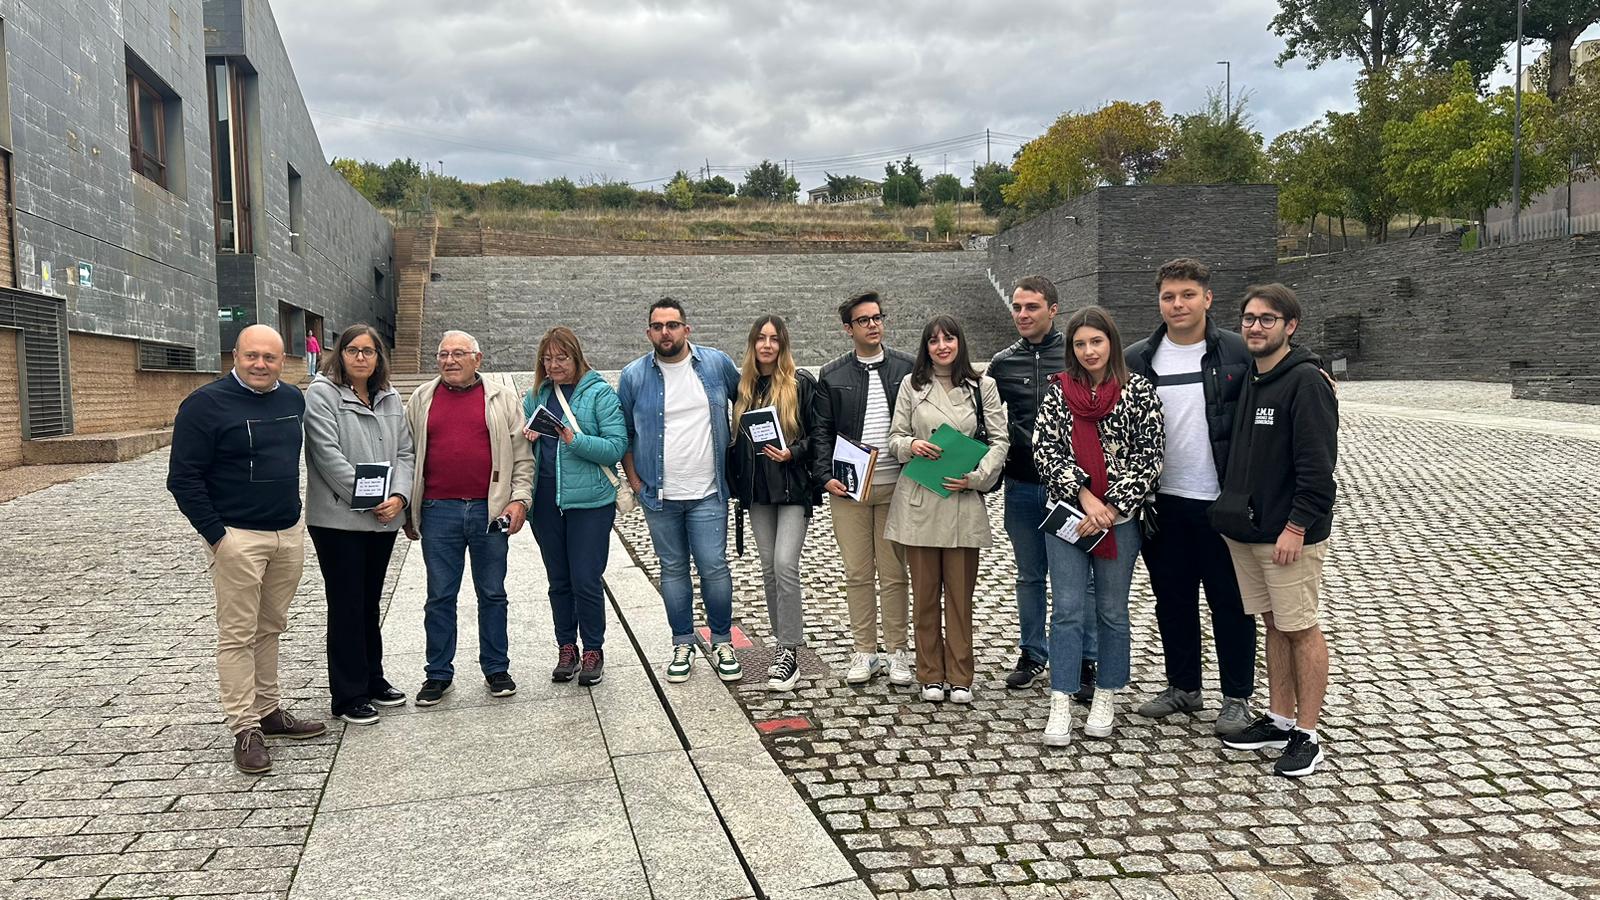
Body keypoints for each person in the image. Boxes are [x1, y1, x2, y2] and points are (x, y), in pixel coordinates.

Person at [168, 324, 326, 774]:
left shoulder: (293, 400)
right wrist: (218, 536)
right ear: (234, 356)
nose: (260, 365)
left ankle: (270, 710)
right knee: (237, 633)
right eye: (251, 356)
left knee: (271, 626)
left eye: (270, 358)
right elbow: (183, 479)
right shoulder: (204, 405)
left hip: (286, 532)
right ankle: (244, 727)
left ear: (283, 361)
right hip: (237, 536)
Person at [1124, 258, 1258, 735]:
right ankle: (1183, 686)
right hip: (1162, 502)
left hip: (1222, 502)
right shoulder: (1140, 357)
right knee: (1172, 599)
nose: (1177, 305)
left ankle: (1237, 696)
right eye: (1168, 296)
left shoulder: (1239, 353)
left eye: (1186, 295)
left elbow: (1286, 378)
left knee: (1232, 602)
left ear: (1207, 298)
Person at [1213, 284, 1338, 778]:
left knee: (1301, 628)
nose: (1255, 326)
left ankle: (1307, 734)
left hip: (1288, 536)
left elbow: (1317, 469)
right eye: (1248, 318)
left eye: (1268, 319)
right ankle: (1281, 718)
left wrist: (1297, 527)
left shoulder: (1306, 383)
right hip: (1249, 530)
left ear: (1291, 326)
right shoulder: (1253, 377)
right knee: (1273, 625)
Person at [1033, 307, 1164, 745]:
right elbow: (1045, 451)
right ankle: (1061, 698)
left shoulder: (1139, 392)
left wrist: (1111, 507)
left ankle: (1106, 692)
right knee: (1067, 608)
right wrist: (1087, 498)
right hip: (1069, 516)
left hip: (1119, 520)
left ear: (1112, 342)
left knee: (1112, 610)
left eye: (1097, 341)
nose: (1089, 351)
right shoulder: (1058, 392)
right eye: (1080, 344)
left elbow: (1151, 456)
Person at [403, 330, 533, 707]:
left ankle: (496, 668)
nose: (450, 361)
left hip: (488, 510)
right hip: (437, 510)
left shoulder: (502, 398)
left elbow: (523, 457)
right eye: (443, 354)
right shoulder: (421, 399)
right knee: (439, 596)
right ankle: (438, 673)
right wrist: (408, 509)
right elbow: (408, 456)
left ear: (478, 359)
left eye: (459, 353)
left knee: (492, 593)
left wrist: (519, 500)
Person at [884, 315, 1009, 705]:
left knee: (959, 595)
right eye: (934, 340)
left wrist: (976, 476)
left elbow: (1001, 441)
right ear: (926, 347)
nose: (942, 346)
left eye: (949, 339)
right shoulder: (911, 384)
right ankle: (929, 674)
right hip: (921, 497)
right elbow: (895, 437)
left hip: (961, 497)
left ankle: (961, 674)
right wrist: (911, 447)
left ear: (960, 343)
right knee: (923, 594)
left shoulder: (982, 385)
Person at [618, 298, 743, 684]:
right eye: (657, 326)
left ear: (687, 329)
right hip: (659, 496)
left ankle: (722, 641)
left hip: (708, 492)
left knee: (714, 567)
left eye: (672, 325)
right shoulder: (634, 376)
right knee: (673, 571)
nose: (665, 332)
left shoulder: (716, 364)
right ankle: (683, 642)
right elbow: (624, 433)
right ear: (648, 332)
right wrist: (636, 483)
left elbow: (747, 401)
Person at [988, 275, 1097, 698]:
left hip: (1071, 490)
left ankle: (1086, 659)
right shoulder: (1001, 363)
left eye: (1031, 307)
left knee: (1078, 579)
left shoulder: (1075, 357)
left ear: (1053, 310)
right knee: (1029, 576)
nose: (1022, 315)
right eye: (1017, 307)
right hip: (1022, 485)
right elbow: (986, 422)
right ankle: (1033, 653)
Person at [303, 324, 414, 725]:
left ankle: (373, 677)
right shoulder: (322, 394)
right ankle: (348, 694)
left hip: (383, 518)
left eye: (369, 351)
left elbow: (405, 451)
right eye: (353, 350)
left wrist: (399, 497)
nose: (361, 358)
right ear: (340, 354)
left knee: (369, 603)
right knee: (347, 605)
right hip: (338, 521)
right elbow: (327, 455)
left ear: (379, 357)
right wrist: (366, 499)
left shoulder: (390, 397)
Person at [812, 292, 916, 687]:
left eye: (877, 317)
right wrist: (825, 476)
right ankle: (865, 651)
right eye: (864, 320)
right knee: (857, 572)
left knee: (894, 573)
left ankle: (897, 652)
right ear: (848, 328)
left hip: (897, 485)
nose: (873, 325)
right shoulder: (833, 374)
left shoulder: (907, 367)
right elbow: (821, 431)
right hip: (850, 488)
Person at [521, 327, 628, 687]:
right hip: (547, 502)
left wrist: (573, 439)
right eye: (547, 359)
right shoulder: (535, 395)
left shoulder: (599, 394)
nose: (554, 365)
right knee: (558, 581)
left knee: (585, 578)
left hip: (590, 503)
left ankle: (594, 648)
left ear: (576, 356)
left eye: (561, 357)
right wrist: (527, 436)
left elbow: (615, 447)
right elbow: (522, 451)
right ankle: (567, 646)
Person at [729, 315, 823, 692]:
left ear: (783, 345)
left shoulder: (801, 384)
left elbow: (819, 436)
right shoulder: (744, 388)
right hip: (759, 493)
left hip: (792, 488)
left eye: (774, 339)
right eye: (761, 339)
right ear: (753, 345)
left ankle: (789, 651)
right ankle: (782, 643)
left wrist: (792, 452)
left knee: (785, 564)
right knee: (768, 568)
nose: (767, 345)